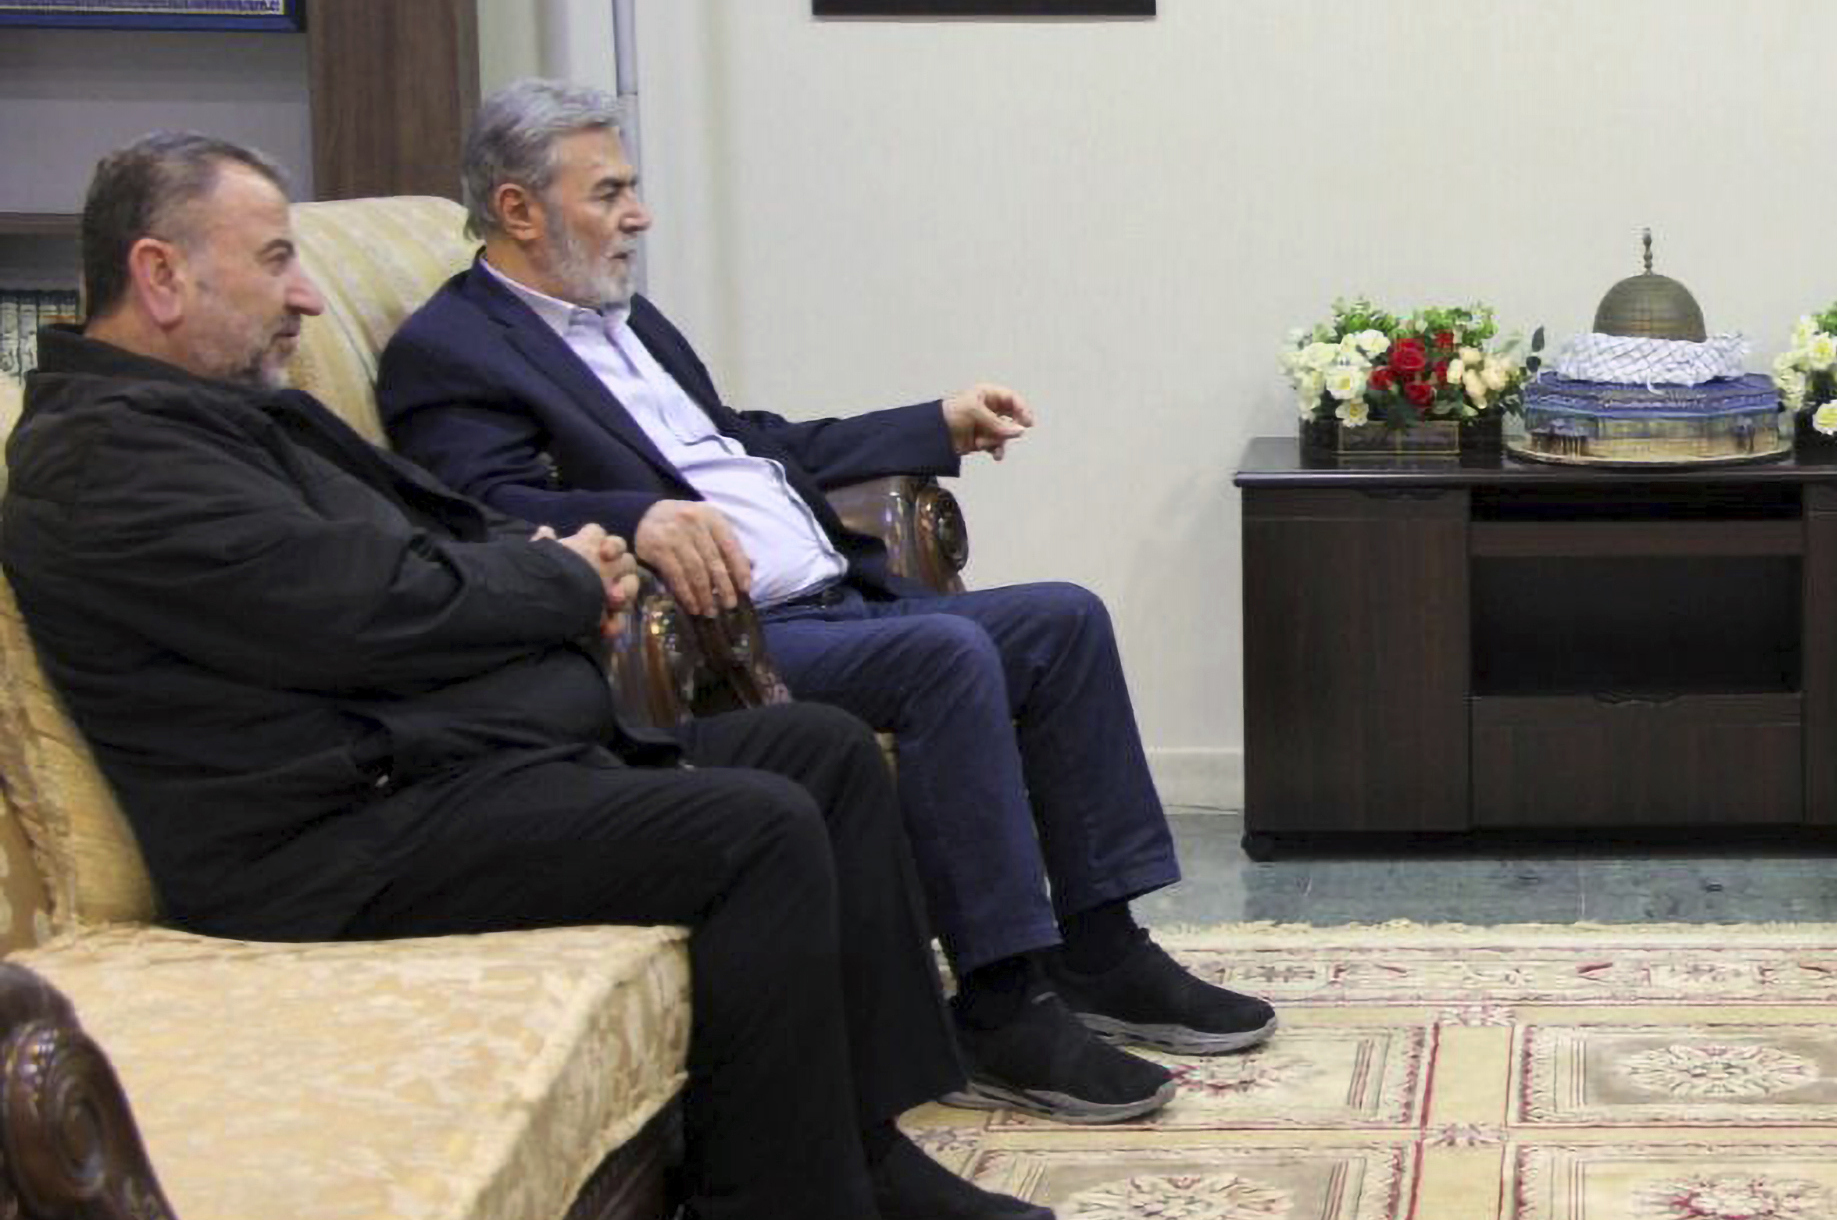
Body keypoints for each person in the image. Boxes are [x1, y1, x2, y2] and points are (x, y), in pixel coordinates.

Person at [1, 134, 1055, 1220]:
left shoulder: (211, 412)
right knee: (755, 829)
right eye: (277, 259)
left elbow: (428, 534)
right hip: (328, 842)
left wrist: (560, 566)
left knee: (817, 748)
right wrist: (562, 579)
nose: (308, 294)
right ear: (160, 274)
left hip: (428, 774)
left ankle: (859, 1154)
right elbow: (365, 608)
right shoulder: (104, 460)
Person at [378, 80, 1270, 1127]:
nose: (639, 215)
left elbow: (749, 444)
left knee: (1062, 618)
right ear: (519, 209)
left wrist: (931, 422)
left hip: (834, 596)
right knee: (946, 656)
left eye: (634, 188)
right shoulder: (453, 350)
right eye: (610, 191)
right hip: (723, 638)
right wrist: (639, 516)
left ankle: (1100, 947)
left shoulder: (628, 321)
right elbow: (480, 508)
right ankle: (998, 1002)